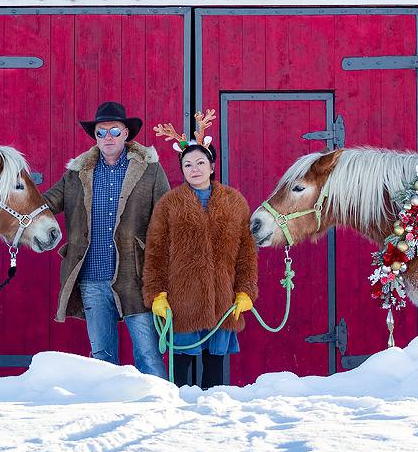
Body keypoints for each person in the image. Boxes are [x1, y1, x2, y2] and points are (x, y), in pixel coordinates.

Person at [43, 101, 170, 378]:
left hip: (135, 277)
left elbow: (166, 222)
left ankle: (161, 409)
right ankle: (108, 410)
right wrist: (11, 193)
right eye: (101, 132)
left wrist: (162, 276)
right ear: (95, 137)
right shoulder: (77, 174)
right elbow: (45, 204)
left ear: (126, 133)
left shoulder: (149, 171)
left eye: (114, 130)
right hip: (92, 278)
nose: (108, 138)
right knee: (102, 358)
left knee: (147, 353)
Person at [143, 111, 258, 388]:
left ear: (212, 165)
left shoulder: (234, 202)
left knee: (215, 366)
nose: (194, 169)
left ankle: (212, 421)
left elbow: (246, 253)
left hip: (223, 299)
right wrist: (156, 294)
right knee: (180, 365)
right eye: (187, 165)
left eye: (200, 162)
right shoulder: (169, 204)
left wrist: (245, 291)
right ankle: (177, 419)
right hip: (183, 301)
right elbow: (155, 253)